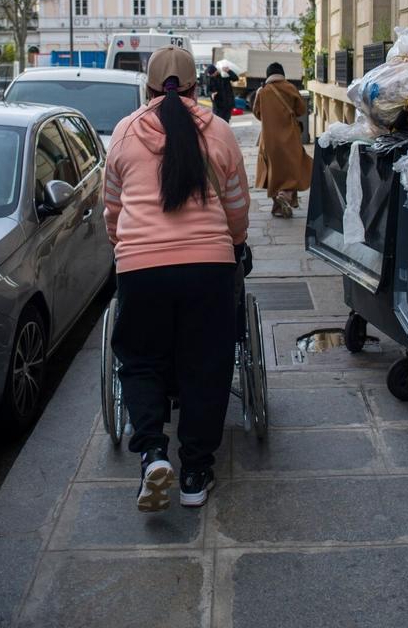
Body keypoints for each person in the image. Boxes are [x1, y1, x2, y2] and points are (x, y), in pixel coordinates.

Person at [104, 46, 250, 512]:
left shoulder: (125, 133)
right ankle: (194, 472)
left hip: (141, 269)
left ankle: (151, 454)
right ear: (195, 87)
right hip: (208, 269)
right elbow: (236, 208)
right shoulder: (221, 133)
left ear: (148, 87)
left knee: (141, 360)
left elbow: (113, 207)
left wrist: (124, 246)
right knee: (207, 365)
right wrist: (234, 241)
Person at [253, 62, 311, 218]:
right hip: (290, 137)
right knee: (292, 168)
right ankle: (285, 196)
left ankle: (278, 205)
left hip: (269, 138)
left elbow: (257, 114)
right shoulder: (290, 88)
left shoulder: (262, 92)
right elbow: (301, 110)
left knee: (273, 171)